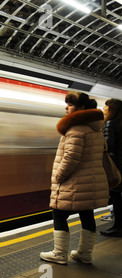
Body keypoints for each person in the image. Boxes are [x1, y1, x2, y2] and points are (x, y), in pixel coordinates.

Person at [40, 92, 108, 265]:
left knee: (59, 214)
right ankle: (84, 254)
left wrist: (58, 176)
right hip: (89, 182)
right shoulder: (96, 129)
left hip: (75, 183)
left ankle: (59, 253)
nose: (66, 107)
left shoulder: (76, 129)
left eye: (70, 104)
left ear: (82, 108)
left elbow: (71, 158)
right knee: (87, 214)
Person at [101, 98, 122, 237]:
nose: (104, 109)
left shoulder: (109, 123)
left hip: (116, 166)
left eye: (106, 106)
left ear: (112, 109)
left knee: (116, 197)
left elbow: (108, 147)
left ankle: (118, 227)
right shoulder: (120, 123)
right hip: (121, 165)